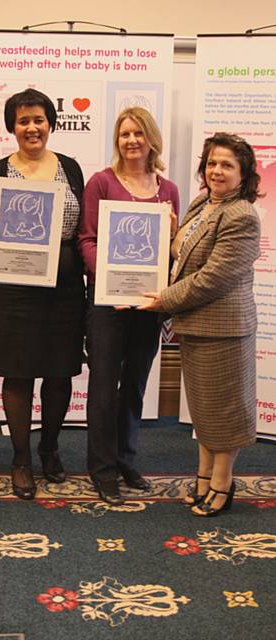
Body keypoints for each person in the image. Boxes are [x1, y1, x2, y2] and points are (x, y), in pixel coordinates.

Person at [138, 132, 261, 517]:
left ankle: (222, 484)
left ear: (243, 173)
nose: (217, 171)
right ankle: (204, 476)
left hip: (224, 328)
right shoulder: (202, 204)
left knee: (223, 411)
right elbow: (182, 255)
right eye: (211, 163)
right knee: (204, 410)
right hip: (196, 325)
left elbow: (212, 278)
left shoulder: (240, 215)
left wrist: (162, 300)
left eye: (227, 165)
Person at [0, 88, 85, 500]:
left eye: (39, 119)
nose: (32, 127)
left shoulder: (71, 169)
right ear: (12, 127)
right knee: (18, 374)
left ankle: (50, 449)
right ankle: (20, 460)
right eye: (23, 120)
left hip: (65, 290)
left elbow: (85, 228)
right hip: (13, 291)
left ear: (50, 124)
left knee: (59, 374)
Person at [78, 107, 179, 505]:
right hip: (107, 305)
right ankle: (101, 470)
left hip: (148, 304)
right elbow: (86, 239)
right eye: (124, 134)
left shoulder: (167, 189)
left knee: (135, 383)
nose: (131, 140)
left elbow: (171, 252)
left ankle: (125, 459)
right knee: (104, 387)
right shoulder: (101, 182)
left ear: (151, 138)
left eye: (138, 133)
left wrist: (174, 234)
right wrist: (108, 285)